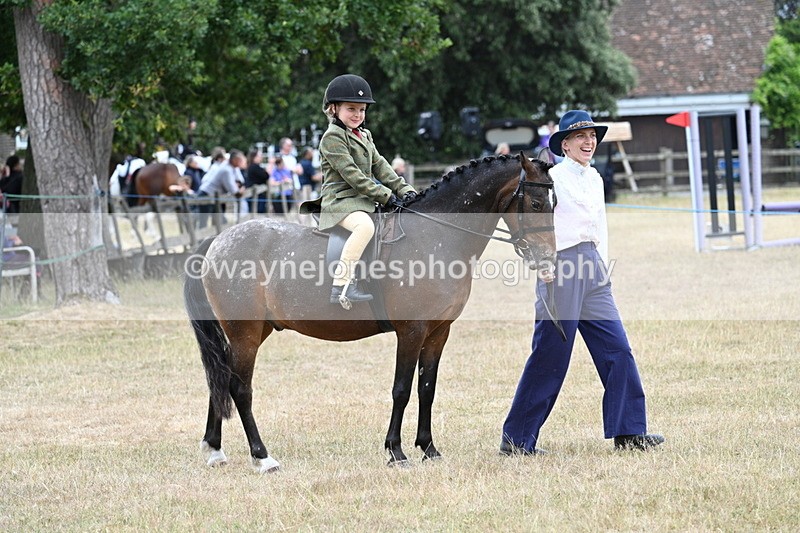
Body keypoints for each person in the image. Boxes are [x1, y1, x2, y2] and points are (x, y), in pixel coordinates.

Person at [500, 110, 664, 454]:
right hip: (560, 267)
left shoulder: (595, 179)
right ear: (565, 144)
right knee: (551, 355)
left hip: (592, 267)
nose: (589, 142)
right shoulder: (551, 179)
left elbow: (599, 228)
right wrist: (542, 264)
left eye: (592, 136)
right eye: (580, 137)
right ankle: (516, 441)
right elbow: (531, 225)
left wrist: (602, 268)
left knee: (617, 349)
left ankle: (630, 432)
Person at [318, 73, 417, 308]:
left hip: (362, 201)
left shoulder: (364, 135)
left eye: (362, 110)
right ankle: (341, 285)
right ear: (333, 109)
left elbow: (381, 166)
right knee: (365, 227)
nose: (358, 115)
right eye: (351, 109)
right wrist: (386, 196)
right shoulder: (331, 138)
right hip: (340, 203)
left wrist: (406, 190)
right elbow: (353, 176)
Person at [196, 149, 246, 228]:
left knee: (220, 221)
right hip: (206, 194)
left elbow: (240, 181)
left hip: (213, 196)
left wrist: (239, 186)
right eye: (240, 160)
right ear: (234, 160)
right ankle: (200, 240)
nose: (242, 162)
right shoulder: (226, 170)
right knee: (204, 222)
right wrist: (240, 190)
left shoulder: (232, 167)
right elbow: (234, 191)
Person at [245, 149, 270, 214]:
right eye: (259, 156)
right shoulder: (254, 167)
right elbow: (265, 176)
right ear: (254, 157)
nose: (261, 157)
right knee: (258, 212)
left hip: (257, 194)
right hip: (256, 194)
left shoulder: (253, 167)